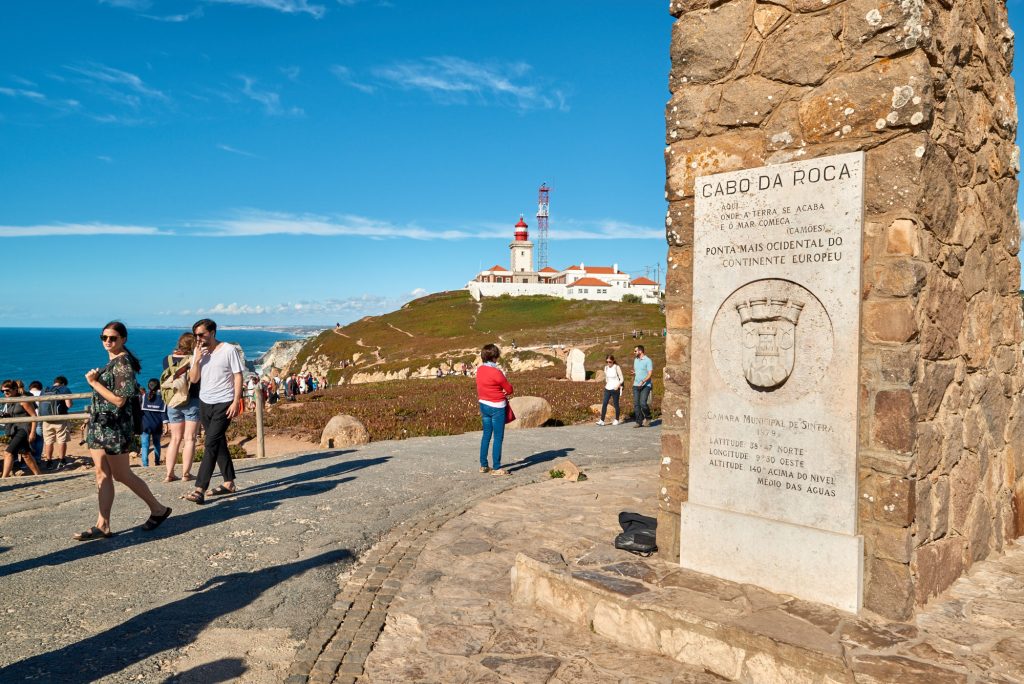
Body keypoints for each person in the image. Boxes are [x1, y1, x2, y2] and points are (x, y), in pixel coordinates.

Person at [75, 321, 171, 540]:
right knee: (101, 474)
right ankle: (103, 524)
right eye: (104, 338)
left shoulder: (123, 364)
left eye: (113, 338)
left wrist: (93, 383)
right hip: (101, 426)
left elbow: (119, 400)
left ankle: (158, 509)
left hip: (115, 427)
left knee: (122, 474)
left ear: (123, 340)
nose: (108, 341)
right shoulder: (113, 363)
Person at [185, 319, 243, 505]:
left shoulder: (228, 350)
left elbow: (237, 376)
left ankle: (199, 488)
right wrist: (197, 359)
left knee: (210, 443)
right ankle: (229, 483)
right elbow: (193, 379)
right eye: (196, 335)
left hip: (224, 402)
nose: (199, 338)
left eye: (202, 334)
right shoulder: (199, 352)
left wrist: (236, 401)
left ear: (213, 332)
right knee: (218, 442)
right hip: (205, 402)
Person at [163, 332, 200, 483]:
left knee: (175, 439)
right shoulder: (194, 359)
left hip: (173, 401)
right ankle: (186, 474)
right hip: (192, 400)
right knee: (190, 439)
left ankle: (169, 474)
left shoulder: (167, 359)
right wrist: (197, 359)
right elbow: (195, 379)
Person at [476, 343, 513, 476]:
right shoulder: (496, 372)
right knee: (498, 437)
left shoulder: (480, 370)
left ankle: (483, 465)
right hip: (497, 407)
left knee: (486, 435)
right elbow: (509, 389)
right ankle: (497, 468)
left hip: (483, 405)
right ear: (494, 357)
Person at [1, 380, 42, 478]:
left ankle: (4, 478)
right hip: (14, 429)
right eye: (2, 391)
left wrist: (32, 432)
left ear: (15, 389)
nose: (5, 393)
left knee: (8, 452)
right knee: (26, 454)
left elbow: (34, 416)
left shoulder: (23, 400)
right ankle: (39, 475)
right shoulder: (9, 401)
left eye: (7, 390)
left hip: (23, 430)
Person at [39, 375, 73, 470]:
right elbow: (69, 405)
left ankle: (49, 461)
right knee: (61, 440)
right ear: (63, 383)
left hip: (46, 419)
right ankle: (62, 460)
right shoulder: (65, 389)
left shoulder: (45, 389)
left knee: (48, 441)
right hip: (60, 419)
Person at [139, 379, 166, 467]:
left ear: (148, 386)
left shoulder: (143, 396)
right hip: (157, 425)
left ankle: (145, 464)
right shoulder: (162, 398)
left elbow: (139, 410)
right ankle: (157, 462)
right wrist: (166, 424)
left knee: (145, 445)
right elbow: (163, 413)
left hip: (145, 424)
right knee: (157, 443)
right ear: (158, 386)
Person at [597, 355, 624, 426]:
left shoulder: (616, 367)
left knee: (616, 405)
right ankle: (602, 420)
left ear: (613, 361)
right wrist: (607, 383)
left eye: (610, 362)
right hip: (607, 388)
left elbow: (621, 379)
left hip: (615, 389)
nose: (608, 363)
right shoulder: (606, 368)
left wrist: (618, 386)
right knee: (604, 403)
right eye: (607, 362)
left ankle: (617, 419)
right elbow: (606, 378)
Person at [632, 345, 653, 427]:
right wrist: (634, 373)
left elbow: (650, 374)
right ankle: (639, 421)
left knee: (643, 403)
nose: (634, 352)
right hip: (636, 385)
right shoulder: (635, 360)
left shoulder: (648, 360)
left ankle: (648, 417)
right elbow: (638, 371)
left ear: (640, 351)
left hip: (646, 385)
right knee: (636, 404)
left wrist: (643, 381)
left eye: (635, 351)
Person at [27, 380, 44, 465]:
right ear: (40, 387)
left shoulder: (27, 394)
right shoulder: (43, 393)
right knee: (39, 440)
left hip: (28, 419)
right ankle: (37, 458)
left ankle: (30, 458)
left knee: (29, 439)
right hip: (40, 418)